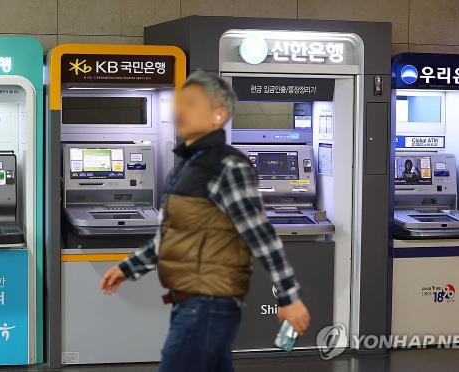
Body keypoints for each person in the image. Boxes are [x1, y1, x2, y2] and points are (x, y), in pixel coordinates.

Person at [100, 71, 311, 372]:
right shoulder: (185, 166)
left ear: (218, 115)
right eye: (179, 102)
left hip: (208, 303)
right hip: (191, 302)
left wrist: (290, 297)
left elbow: (260, 235)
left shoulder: (228, 166)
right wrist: (127, 267)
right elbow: (171, 236)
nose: (179, 110)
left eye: (191, 103)